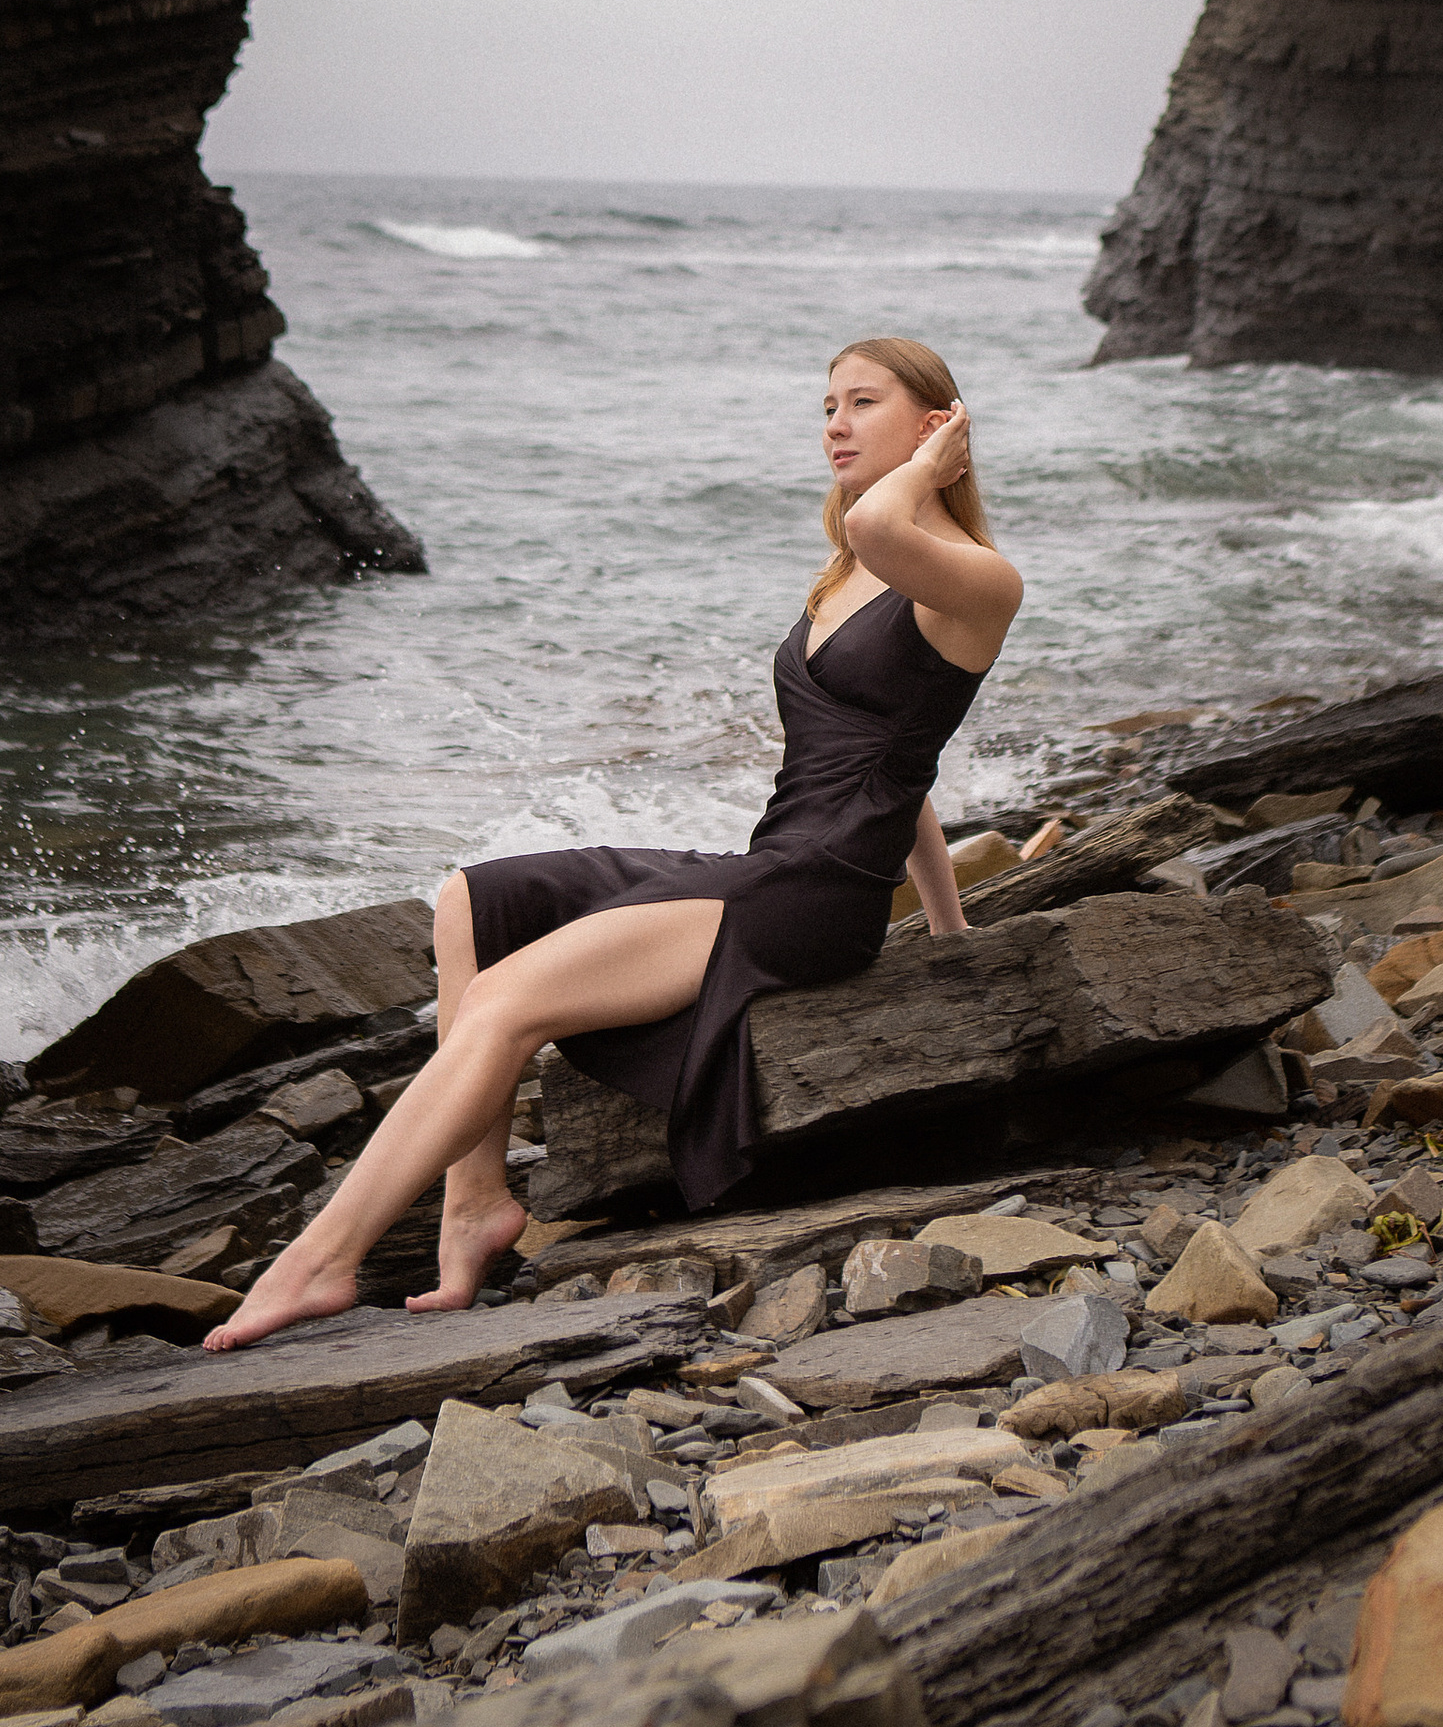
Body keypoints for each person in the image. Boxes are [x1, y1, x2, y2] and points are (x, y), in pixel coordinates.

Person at [204, 334, 1021, 1347]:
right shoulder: (845, 574)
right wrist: (949, 928)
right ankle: (473, 1203)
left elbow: (880, 544)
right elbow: (904, 770)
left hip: (814, 900)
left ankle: (320, 1259)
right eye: (824, 408)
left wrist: (931, 472)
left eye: (861, 403)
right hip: (768, 864)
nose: (834, 427)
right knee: (476, 900)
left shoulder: (979, 581)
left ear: (935, 423)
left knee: (503, 1006)